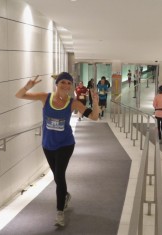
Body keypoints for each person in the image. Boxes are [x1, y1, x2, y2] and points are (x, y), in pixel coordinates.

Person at [15, 72, 99, 226]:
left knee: (60, 175)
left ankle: (60, 212)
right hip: (48, 144)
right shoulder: (44, 97)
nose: (66, 86)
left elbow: (94, 117)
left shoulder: (73, 103)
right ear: (57, 84)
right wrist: (28, 87)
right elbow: (19, 95)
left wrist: (95, 103)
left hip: (66, 144)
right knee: (57, 177)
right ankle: (65, 195)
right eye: (63, 82)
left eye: (69, 83)